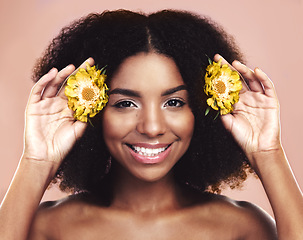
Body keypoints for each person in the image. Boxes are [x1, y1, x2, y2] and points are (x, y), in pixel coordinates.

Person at [0, 9, 302, 240]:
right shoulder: (48, 227)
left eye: (174, 102)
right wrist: (36, 161)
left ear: (199, 108)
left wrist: (268, 152)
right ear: (92, 111)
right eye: (125, 103)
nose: (152, 126)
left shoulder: (243, 227)